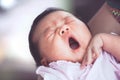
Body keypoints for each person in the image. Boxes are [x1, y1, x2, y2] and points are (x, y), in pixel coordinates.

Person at [28, 8, 120, 80]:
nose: (63, 28)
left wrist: (104, 39)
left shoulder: (106, 51)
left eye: (68, 21)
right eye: (50, 33)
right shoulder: (57, 73)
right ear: (46, 63)